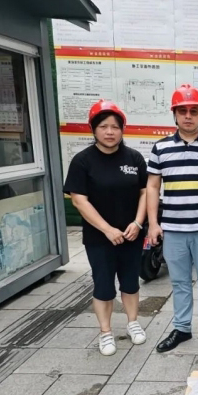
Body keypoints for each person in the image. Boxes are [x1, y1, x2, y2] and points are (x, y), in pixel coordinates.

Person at [147, 85, 198, 354]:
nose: (188, 116)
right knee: (179, 282)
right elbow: (152, 187)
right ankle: (182, 328)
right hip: (173, 229)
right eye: (182, 111)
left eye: (194, 111)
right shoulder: (160, 148)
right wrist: (153, 223)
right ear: (174, 114)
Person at [64, 100, 148, 356]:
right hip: (99, 239)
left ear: (122, 129)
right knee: (103, 285)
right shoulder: (82, 161)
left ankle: (133, 322)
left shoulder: (134, 158)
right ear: (93, 129)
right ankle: (105, 332)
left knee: (131, 282)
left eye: (115, 127)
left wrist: (138, 222)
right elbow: (79, 200)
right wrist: (107, 229)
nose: (110, 132)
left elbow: (145, 192)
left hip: (132, 235)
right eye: (103, 126)